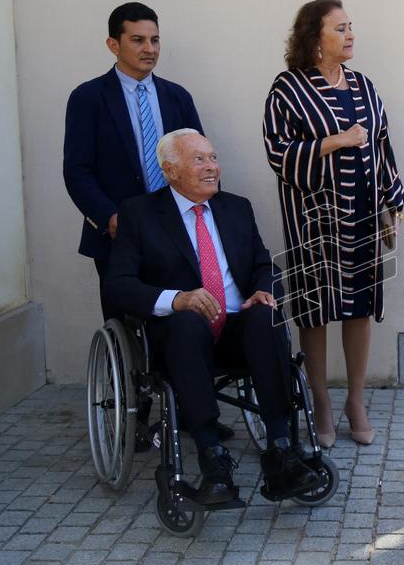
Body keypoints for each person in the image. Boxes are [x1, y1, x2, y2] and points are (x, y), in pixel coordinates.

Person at [104, 129, 320, 505]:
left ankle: (281, 449)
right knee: (187, 324)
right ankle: (212, 458)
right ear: (170, 170)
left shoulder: (237, 207)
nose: (212, 167)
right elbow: (118, 286)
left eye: (214, 158)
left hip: (239, 330)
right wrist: (177, 299)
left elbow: (262, 265)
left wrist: (264, 290)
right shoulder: (140, 214)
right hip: (182, 335)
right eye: (199, 159)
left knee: (266, 317)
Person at [262, 0, 404, 448]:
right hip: (313, 222)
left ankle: (356, 401)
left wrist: (391, 206)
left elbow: (381, 148)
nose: (350, 35)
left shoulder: (364, 87)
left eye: (350, 26)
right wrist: (335, 141)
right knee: (317, 309)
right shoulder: (287, 90)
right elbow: (279, 153)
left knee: (359, 306)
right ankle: (321, 400)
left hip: (363, 215)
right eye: (340, 28)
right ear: (314, 38)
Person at [64, 2, 203, 321]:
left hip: (176, 231)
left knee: (183, 322)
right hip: (119, 234)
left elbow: (199, 159)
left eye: (155, 40)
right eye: (138, 40)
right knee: (127, 322)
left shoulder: (177, 97)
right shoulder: (89, 99)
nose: (149, 48)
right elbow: (77, 171)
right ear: (114, 45)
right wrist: (110, 217)